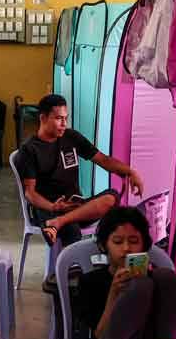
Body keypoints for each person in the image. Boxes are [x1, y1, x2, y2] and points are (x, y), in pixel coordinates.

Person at [72, 206, 176, 339]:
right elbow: (97, 334)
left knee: (165, 277)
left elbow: (165, 325)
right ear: (105, 245)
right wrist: (114, 295)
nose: (126, 248)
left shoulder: (155, 281)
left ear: (143, 246)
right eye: (117, 241)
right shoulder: (91, 281)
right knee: (140, 286)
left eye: (134, 241)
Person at [16, 94, 144, 246]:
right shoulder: (29, 149)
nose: (64, 123)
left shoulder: (71, 137)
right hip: (48, 208)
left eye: (66, 118)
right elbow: (30, 193)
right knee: (72, 230)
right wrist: (53, 206)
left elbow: (103, 160)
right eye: (58, 118)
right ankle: (71, 266)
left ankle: (59, 222)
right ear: (43, 118)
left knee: (112, 197)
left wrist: (130, 172)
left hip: (76, 207)